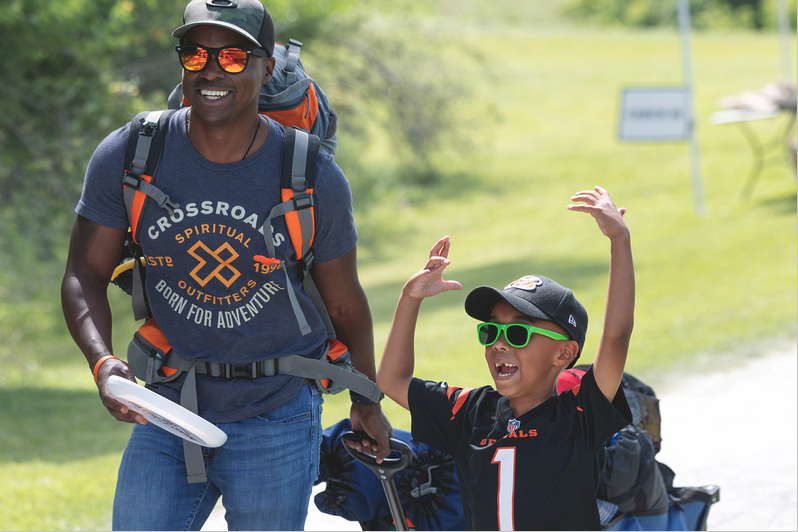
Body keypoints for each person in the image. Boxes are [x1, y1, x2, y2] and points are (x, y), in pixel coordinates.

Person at [60, 0, 391, 529]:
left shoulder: (311, 175)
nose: (212, 69)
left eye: (233, 57)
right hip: (170, 403)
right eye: (196, 54)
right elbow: (85, 274)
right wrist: (103, 363)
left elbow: (345, 302)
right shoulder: (132, 154)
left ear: (266, 67)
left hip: (278, 411)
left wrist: (366, 398)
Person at [374, 186, 635, 530]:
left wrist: (619, 239)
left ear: (564, 352)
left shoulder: (579, 417)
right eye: (491, 331)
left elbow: (616, 336)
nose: (498, 344)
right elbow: (392, 380)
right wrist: (410, 299)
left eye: (517, 333)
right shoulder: (469, 413)